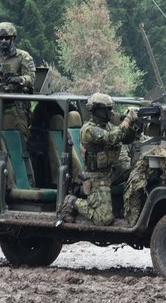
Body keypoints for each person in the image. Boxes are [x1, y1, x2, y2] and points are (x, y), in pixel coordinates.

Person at [59, 93, 139, 226]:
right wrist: (127, 121)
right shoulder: (89, 130)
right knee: (104, 219)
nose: (111, 112)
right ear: (98, 111)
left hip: (110, 173)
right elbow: (112, 138)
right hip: (96, 177)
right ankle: (73, 201)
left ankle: (124, 207)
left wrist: (133, 127)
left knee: (135, 172)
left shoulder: (107, 126)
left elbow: (125, 138)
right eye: (108, 109)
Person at [0, 21, 36, 144]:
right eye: (1, 38)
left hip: (15, 105)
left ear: (13, 38)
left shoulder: (22, 56)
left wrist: (19, 80)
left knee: (20, 138)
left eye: (7, 38)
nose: (4, 41)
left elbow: (32, 78)